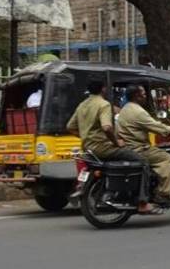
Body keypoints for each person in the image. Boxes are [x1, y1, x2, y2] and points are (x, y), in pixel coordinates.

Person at [66, 80, 159, 214]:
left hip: (88, 148)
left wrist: (86, 136)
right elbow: (107, 127)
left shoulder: (82, 105)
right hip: (104, 148)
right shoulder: (103, 105)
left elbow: (70, 127)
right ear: (103, 89)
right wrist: (116, 142)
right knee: (143, 162)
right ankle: (143, 202)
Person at [117, 85, 170, 206]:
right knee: (167, 158)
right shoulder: (138, 111)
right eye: (144, 94)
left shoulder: (125, 109)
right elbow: (156, 126)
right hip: (139, 149)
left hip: (128, 148)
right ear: (137, 96)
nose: (146, 96)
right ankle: (163, 193)